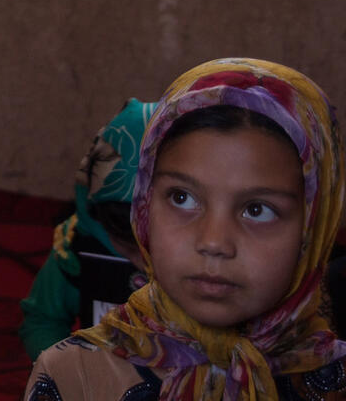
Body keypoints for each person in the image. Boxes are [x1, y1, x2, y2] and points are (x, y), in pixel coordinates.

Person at [24, 57, 346, 399]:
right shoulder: (71, 377)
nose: (213, 242)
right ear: (145, 204)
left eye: (257, 209)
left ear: (314, 227)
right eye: (181, 198)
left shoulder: (332, 381)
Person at [20, 99, 156, 360]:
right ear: (95, 213)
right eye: (129, 247)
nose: (143, 264)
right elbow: (42, 321)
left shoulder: (216, 251)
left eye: (153, 247)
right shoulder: (79, 245)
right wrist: (63, 373)